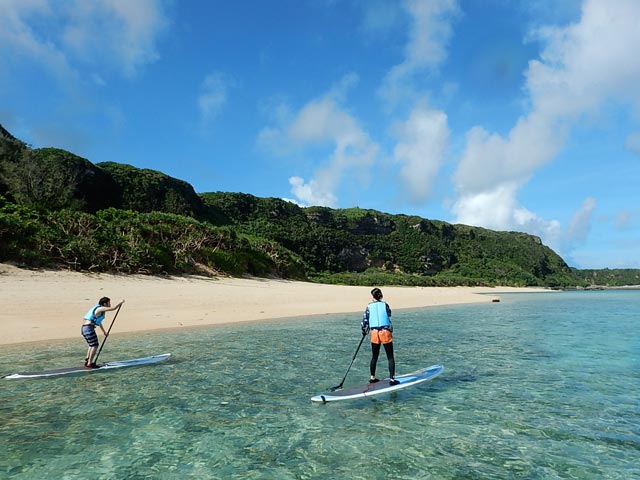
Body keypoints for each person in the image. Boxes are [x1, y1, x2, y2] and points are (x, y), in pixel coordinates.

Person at [361, 287, 399, 385]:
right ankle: (392, 379)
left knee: (374, 356)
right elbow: (389, 314)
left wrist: (364, 331)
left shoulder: (369, 307)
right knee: (390, 357)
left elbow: (364, 321)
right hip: (385, 332)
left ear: (373, 297)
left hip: (374, 333)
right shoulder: (385, 305)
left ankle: (372, 377)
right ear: (381, 296)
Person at [81, 297, 124, 368]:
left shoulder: (99, 310)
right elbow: (114, 308)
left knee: (92, 345)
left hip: (85, 328)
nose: (110, 304)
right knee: (95, 345)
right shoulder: (100, 308)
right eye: (109, 303)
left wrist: (104, 332)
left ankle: (87, 360)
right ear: (105, 303)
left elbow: (99, 322)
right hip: (88, 328)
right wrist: (120, 302)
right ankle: (90, 363)